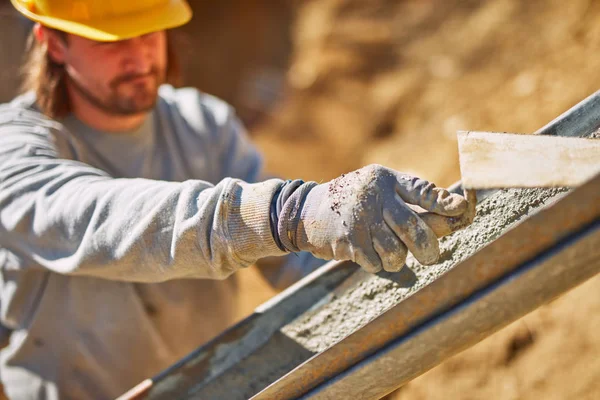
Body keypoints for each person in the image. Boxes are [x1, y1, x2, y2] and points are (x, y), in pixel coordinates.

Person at [0, 1, 472, 398]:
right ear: (53, 41)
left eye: (150, 33)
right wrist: (290, 213)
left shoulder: (201, 126)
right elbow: (106, 223)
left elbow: (301, 264)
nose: (141, 56)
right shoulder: (14, 151)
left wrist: (390, 280)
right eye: (112, 40)